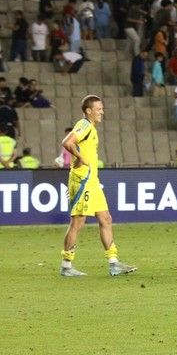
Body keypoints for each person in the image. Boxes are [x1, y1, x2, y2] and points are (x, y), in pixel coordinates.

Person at [59, 95, 136, 277]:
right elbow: (67, 142)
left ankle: (113, 263)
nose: (102, 111)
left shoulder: (91, 128)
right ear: (88, 111)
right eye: (99, 109)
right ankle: (66, 266)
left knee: (106, 218)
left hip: (92, 180)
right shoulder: (84, 125)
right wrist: (80, 158)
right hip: (82, 179)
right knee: (78, 222)